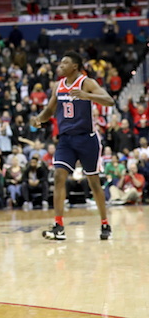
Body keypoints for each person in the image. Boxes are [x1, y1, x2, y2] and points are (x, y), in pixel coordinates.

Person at [32, 50, 114, 240]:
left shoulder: (87, 83)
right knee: (59, 177)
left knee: (93, 182)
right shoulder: (58, 86)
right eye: (60, 64)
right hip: (66, 140)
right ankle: (58, 226)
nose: (60, 66)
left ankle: (105, 224)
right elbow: (49, 110)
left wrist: (86, 95)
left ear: (74, 66)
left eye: (64, 63)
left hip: (87, 138)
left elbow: (109, 100)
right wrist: (38, 119)